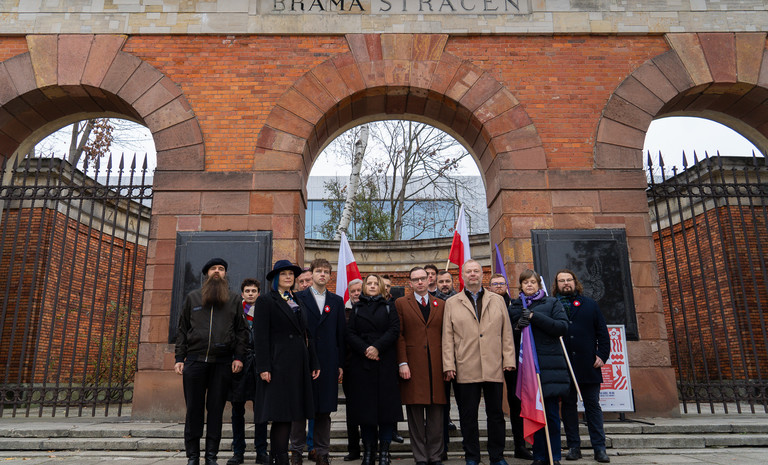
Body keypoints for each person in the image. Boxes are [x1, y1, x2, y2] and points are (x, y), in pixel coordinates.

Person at [175, 258, 249, 465]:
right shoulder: (193, 298)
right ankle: (193, 456)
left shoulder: (234, 299)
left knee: (216, 411)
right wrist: (179, 358)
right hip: (195, 362)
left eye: (221, 269)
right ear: (207, 274)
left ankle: (211, 456)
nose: (217, 271)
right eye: (213, 269)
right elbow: (182, 330)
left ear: (225, 274)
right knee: (194, 410)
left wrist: (239, 357)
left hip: (222, 363)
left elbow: (241, 332)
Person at [442, 260, 516, 465]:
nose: (473, 274)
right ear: (462, 276)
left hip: (494, 365)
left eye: (476, 271)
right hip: (465, 366)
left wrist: (509, 358)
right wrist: (448, 364)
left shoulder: (497, 300)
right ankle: (472, 456)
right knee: (468, 415)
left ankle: (497, 456)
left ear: (483, 275)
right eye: (469, 271)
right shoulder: (452, 303)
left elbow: (506, 333)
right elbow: (447, 337)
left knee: (496, 414)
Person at [254, 260, 321, 465]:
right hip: (278, 364)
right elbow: (260, 336)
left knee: (292, 414)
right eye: (283, 274)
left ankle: (280, 457)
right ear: (276, 278)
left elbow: (306, 333)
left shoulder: (297, 299)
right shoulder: (266, 301)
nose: (288, 277)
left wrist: (314, 362)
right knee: (281, 415)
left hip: (298, 364)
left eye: (291, 274)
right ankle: (280, 458)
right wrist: (263, 367)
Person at [509, 270, 569, 465]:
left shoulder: (551, 303)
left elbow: (562, 327)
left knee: (551, 414)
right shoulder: (515, 306)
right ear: (521, 285)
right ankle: (539, 456)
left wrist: (535, 317)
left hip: (549, 366)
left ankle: (554, 456)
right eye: (525, 282)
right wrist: (518, 326)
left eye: (533, 282)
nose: (529, 285)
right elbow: (507, 336)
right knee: (533, 413)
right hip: (527, 368)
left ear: (538, 284)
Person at [291, 259, 346, 465]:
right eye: (318, 271)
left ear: (330, 276)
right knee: (299, 409)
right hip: (303, 360)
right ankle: (296, 452)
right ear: (311, 274)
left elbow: (341, 335)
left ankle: (322, 452)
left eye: (326, 271)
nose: (322, 274)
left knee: (324, 410)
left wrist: (340, 364)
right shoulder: (298, 298)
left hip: (328, 362)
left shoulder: (337, 301)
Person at [554, 270, 611, 463]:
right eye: (562, 281)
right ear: (556, 285)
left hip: (588, 365)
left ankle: (599, 448)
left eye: (568, 280)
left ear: (575, 282)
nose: (566, 283)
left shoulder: (590, 305)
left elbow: (602, 333)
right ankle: (574, 447)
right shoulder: (553, 305)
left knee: (592, 406)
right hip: (565, 367)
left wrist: (602, 355)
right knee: (568, 407)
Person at [345, 274, 402, 465]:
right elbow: (350, 333)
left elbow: (394, 330)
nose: (371, 286)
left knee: (386, 412)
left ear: (381, 287)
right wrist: (365, 349)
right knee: (365, 412)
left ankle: (384, 452)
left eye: (375, 283)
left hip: (384, 363)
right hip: (363, 365)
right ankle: (369, 452)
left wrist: (377, 347)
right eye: (368, 283)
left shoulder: (389, 306)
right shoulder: (357, 307)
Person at [396, 267, 447, 465]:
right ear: (410, 283)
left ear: (429, 280)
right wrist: (403, 362)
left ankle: (435, 456)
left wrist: (448, 364)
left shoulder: (440, 304)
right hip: (413, 366)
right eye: (415, 279)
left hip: (436, 366)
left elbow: (447, 335)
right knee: (415, 415)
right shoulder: (401, 303)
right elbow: (399, 335)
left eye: (423, 278)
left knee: (436, 414)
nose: (420, 282)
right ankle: (420, 457)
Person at [227, 279, 269, 465]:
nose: (251, 293)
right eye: (247, 291)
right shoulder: (235, 312)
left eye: (254, 291)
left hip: (259, 365)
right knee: (237, 410)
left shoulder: (264, 312)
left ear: (259, 293)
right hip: (239, 365)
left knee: (261, 411)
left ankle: (261, 451)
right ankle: (238, 451)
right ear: (242, 294)